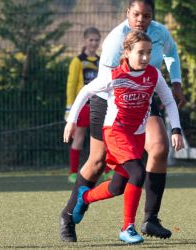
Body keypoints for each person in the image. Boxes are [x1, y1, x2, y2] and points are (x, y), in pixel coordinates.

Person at [59, 0, 187, 242]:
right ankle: (69, 213)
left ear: (152, 16)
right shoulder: (115, 41)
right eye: (136, 14)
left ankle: (150, 219)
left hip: (143, 95)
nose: (141, 19)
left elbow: (172, 54)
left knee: (159, 148)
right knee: (97, 162)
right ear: (128, 12)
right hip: (111, 103)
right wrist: (77, 119)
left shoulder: (158, 36)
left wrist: (177, 83)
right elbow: (98, 87)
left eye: (147, 15)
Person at [65, 27, 110, 183]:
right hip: (83, 106)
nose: (94, 43)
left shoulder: (101, 61)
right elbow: (71, 85)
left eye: (97, 40)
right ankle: (72, 172)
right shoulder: (78, 61)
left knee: (106, 138)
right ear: (85, 41)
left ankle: (108, 170)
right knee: (79, 138)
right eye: (91, 40)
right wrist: (70, 108)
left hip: (99, 105)